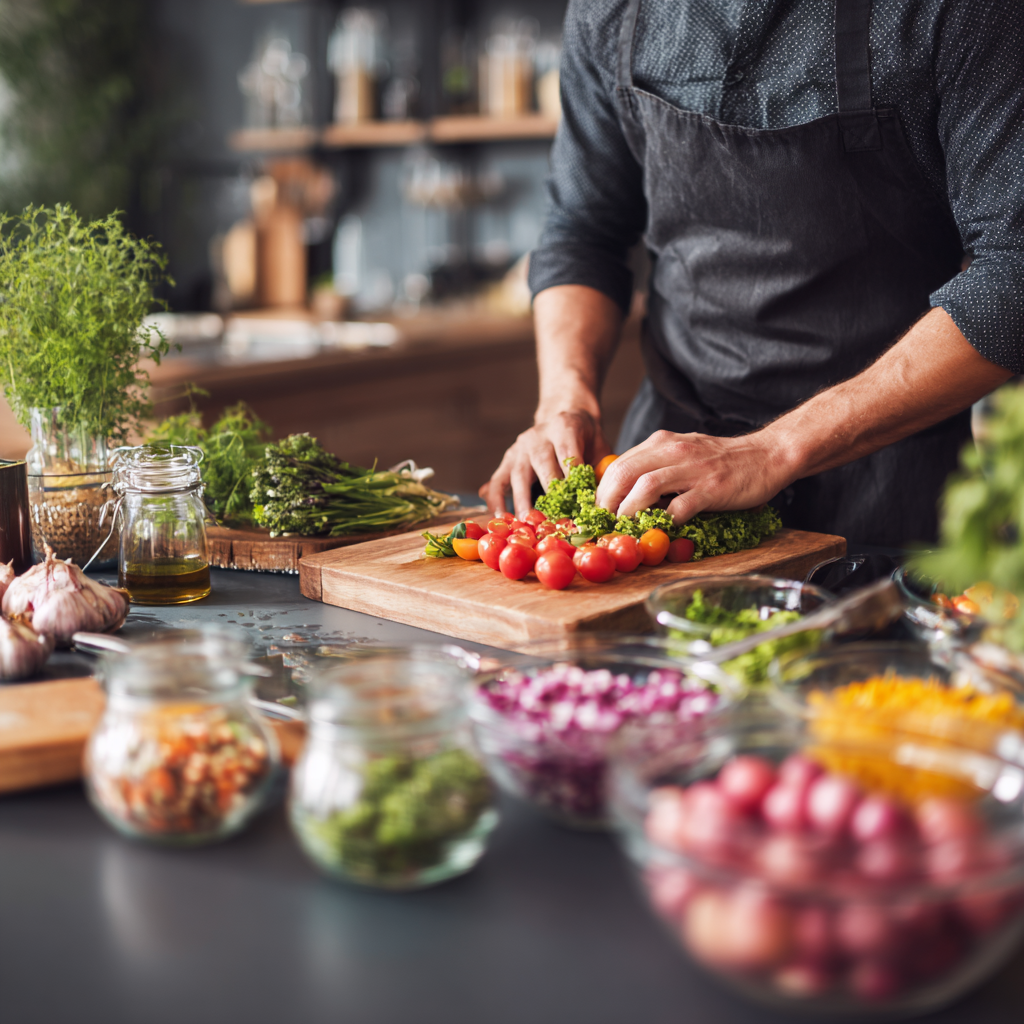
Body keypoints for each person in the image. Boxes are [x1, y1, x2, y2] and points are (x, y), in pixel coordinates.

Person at [480, 0, 1024, 548]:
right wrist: (565, 401)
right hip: (663, 491)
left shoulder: (960, 12)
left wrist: (772, 449)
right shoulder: (611, 11)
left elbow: (1013, 275)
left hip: (889, 485)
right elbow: (582, 230)